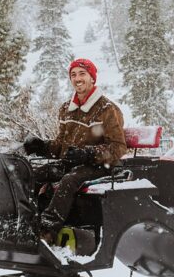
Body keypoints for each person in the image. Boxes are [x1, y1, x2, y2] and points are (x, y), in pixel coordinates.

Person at [22, 58, 128, 243]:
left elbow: (118, 147)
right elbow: (60, 146)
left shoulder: (107, 109)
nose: (77, 78)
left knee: (69, 180)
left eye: (82, 74)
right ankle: (25, 220)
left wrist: (88, 153)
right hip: (71, 164)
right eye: (73, 74)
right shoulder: (66, 109)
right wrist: (42, 146)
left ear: (92, 78)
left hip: (100, 165)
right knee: (32, 174)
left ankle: (47, 230)